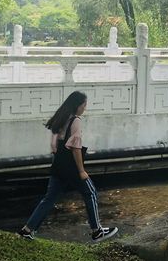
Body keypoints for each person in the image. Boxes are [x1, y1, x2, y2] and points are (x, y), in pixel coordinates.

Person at [18, 91, 118, 242]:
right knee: (90, 193)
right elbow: (76, 148)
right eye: (84, 104)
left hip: (58, 164)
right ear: (78, 105)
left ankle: (27, 230)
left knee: (49, 198)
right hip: (71, 166)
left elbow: (54, 146)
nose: (85, 108)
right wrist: (81, 170)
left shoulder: (61, 119)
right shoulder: (76, 121)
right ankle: (96, 230)